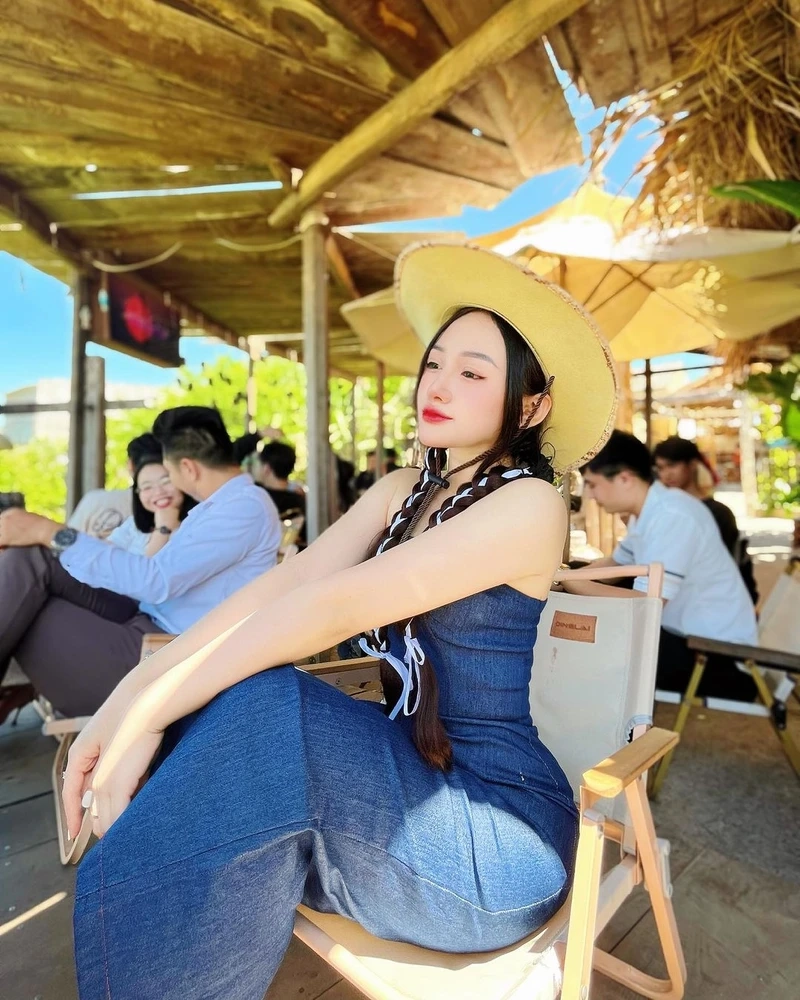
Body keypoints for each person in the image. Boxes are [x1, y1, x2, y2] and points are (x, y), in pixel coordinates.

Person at [64, 243, 617, 1000]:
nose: (438, 384)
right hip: (398, 792)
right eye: (435, 363)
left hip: (497, 834)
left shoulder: (529, 503)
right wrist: (131, 696)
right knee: (241, 717)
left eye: (473, 373)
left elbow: (331, 606)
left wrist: (150, 713)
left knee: (273, 708)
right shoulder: (401, 491)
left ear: (530, 406)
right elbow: (286, 584)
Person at [0, 407, 282, 717]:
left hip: (160, 657)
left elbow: (156, 581)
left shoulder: (243, 508)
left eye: (167, 472)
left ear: (188, 468)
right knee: (30, 559)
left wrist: (50, 531)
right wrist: (47, 537)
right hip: (140, 619)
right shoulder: (222, 506)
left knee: (23, 604)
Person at [571, 430, 758, 700]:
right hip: (686, 638)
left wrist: (573, 583)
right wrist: (565, 577)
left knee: (595, 654)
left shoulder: (673, 516)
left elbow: (647, 605)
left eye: (592, 484)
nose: (588, 496)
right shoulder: (651, 509)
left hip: (718, 657)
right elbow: (614, 565)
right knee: (595, 642)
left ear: (624, 478)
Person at [653, 435, 758, 603]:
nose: (666, 474)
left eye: (672, 465)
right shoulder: (660, 511)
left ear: (693, 464)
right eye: (660, 468)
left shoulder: (718, 513)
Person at [67, 433, 162, 539]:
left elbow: (67, 543)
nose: (158, 492)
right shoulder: (168, 504)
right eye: (146, 487)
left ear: (130, 465)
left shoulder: (94, 500)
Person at [107, 454, 196, 557]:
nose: (159, 492)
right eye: (147, 487)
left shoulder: (198, 524)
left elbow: (150, 567)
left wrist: (163, 529)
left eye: (166, 482)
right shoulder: (133, 525)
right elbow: (103, 558)